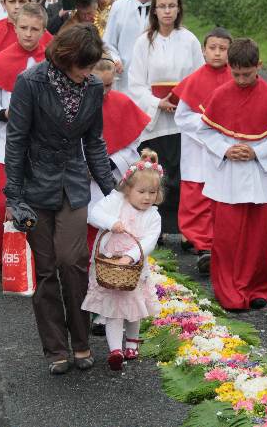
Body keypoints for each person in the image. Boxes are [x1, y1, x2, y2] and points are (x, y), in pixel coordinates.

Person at [3, 24, 115, 374]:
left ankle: (81, 341)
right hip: (35, 185)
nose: (89, 74)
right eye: (84, 67)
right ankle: (56, 348)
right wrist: (13, 194)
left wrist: (113, 191)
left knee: (73, 260)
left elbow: (94, 141)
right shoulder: (30, 82)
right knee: (46, 269)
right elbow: (16, 139)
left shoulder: (93, 86)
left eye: (92, 66)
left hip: (73, 183)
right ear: (67, 59)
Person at [196, 38, 267, 310]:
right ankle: (230, 292)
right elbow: (205, 132)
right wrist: (226, 149)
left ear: (259, 66)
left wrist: (256, 152)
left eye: (246, 74)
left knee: (259, 239)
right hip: (227, 180)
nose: (240, 79)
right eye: (235, 73)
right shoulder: (221, 94)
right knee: (227, 239)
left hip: (257, 179)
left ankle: (257, 288)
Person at [0, 3, 50, 277]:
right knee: (1, 207)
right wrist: (4, 113)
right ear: (14, 27)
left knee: (39, 205)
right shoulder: (0, 61)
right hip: (4, 146)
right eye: (23, 28)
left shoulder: (52, 61)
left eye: (35, 29)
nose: (28, 34)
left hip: (40, 147)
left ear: (43, 30)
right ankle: (3, 258)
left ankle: (34, 259)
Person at [128, 0, 203, 236]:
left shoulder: (189, 40)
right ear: (155, 10)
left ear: (179, 9)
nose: (167, 11)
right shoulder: (143, 42)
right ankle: (154, 230)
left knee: (182, 176)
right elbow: (135, 84)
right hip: (155, 121)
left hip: (183, 120)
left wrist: (184, 101)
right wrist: (156, 102)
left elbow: (200, 79)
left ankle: (185, 231)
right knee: (155, 177)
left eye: (172, 6)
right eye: (162, 6)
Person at [82, 149, 162, 371]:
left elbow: (149, 241)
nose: (147, 197)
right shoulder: (116, 201)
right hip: (109, 264)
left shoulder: (153, 215)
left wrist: (131, 256)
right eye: (142, 192)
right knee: (112, 309)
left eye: (152, 193)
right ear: (127, 189)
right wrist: (110, 223)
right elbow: (94, 213)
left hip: (133, 269)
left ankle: (132, 341)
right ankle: (115, 349)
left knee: (133, 307)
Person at [87, 57, 150, 337]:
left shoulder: (122, 103)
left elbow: (133, 143)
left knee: (112, 246)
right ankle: (89, 302)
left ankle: (106, 310)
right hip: (81, 184)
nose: (104, 92)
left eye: (109, 85)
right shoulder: (76, 104)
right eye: (98, 86)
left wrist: (107, 164)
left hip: (111, 181)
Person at [173, 27, 232, 274]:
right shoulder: (195, 80)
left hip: (225, 149)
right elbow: (182, 116)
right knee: (196, 199)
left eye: (223, 49)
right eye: (212, 48)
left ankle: (220, 246)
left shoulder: (235, 78)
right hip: (198, 148)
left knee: (221, 199)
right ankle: (203, 247)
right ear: (203, 50)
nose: (217, 53)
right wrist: (208, 125)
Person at [102, 0, 151, 92]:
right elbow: (108, 43)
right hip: (125, 80)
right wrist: (115, 60)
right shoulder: (119, 6)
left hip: (152, 79)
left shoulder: (162, 6)